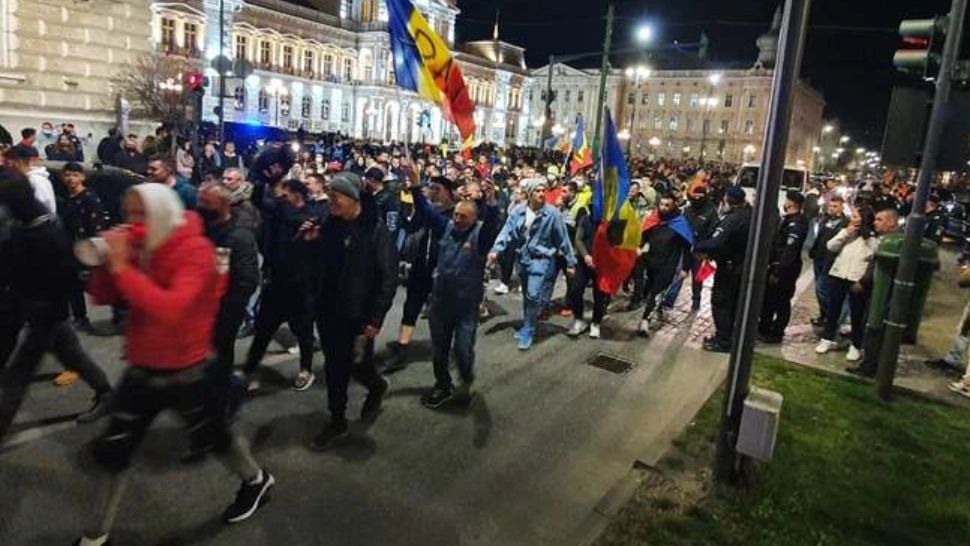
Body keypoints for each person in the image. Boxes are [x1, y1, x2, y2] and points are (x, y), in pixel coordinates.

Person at [78, 183, 273, 545]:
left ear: (163, 212)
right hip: (142, 366)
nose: (133, 223)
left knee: (216, 439)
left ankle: (257, 480)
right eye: (129, 214)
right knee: (113, 451)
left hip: (188, 369)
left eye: (142, 214)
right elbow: (104, 295)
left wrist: (121, 266)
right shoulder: (141, 245)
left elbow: (171, 309)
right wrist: (107, 265)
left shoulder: (195, 250)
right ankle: (94, 536)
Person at [0, 168, 112, 443]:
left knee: (20, 372)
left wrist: (44, 311)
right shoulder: (23, 227)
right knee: (72, 355)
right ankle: (107, 393)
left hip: (45, 313)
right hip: (28, 306)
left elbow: (64, 279)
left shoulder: (47, 232)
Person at [306, 172, 396, 450]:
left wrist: (375, 318)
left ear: (354, 199)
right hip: (329, 310)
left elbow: (387, 277)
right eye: (329, 195)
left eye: (336, 197)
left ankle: (376, 387)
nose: (330, 201)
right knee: (335, 367)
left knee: (357, 365)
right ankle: (338, 420)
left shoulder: (374, 230)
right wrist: (311, 242)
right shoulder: (328, 224)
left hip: (359, 314)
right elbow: (320, 265)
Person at [401, 169, 501, 408]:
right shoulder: (446, 227)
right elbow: (425, 210)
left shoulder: (479, 236)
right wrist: (415, 185)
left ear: (473, 219)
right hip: (440, 303)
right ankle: (442, 386)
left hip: (466, 307)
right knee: (439, 351)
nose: (456, 220)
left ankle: (465, 380)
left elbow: (491, 225)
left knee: (464, 351)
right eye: (455, 215)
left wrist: (492, 202)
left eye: (462, 217)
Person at [243, 179, 319, 391]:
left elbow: (292, 217)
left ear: (298, 195)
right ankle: (249, 369)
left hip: (300, 285)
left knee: (303, 331)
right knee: (263, 330)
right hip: (276, 282)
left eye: (286, 196)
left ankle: (306, 369)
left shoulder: (311, 215)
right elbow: (258, 199)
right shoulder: (280, 213)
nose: (281, 200)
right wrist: (263, 177)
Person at [488, 177, 576, 351]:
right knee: (528, 295)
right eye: (537, 190)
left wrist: (570, 262)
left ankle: (529, 328)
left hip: (541, 259)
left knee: (534, 294)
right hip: (522, 258)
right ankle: (527, 323)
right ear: (529, 193)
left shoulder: (553, 214)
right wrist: (495, 250)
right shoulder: (518, 211)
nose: (541, 194)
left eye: (543, 190)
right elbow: (506, 231)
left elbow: (563, 239)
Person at [197, 182, 259, 426]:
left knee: (220, 354)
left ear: (223, 205)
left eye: (207, 203)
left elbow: (248, 280)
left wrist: (225, 308)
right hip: (204, 306)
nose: (201, 207)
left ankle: (226, 398)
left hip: (225, 309)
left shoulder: (240, 236)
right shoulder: (207, 227)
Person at [387, 175, 455, 371]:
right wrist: (404, 211)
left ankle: (446, 350)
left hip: (442, 270)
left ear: (448, 192)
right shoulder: (427, 210)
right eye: (430, 188)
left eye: (437, 189)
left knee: (442, 313)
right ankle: (402, 348)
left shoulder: (455, 214)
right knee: (411, 308)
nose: (432, 192)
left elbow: (439, 225)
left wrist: (417, 192)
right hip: (420, 267)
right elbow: (411, 227)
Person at [815, 207, 878, 363]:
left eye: (856, 216)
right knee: (832, 310)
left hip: (856, 279)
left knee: (857, 314)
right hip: (838, 275)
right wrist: (845, 234)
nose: (852, 218)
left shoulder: (872, 238)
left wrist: (863, 280)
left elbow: (873, 259)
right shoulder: (846, 232)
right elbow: (830, 246)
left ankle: (856, 345)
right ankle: (827, 339)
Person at [694, 186, 752, 353]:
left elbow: (717, 241)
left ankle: (723, 340)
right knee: (731, 304)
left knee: (721, 303)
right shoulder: (748, 215)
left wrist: (696, 246)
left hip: (730, 268)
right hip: (739, 266)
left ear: (729, 201)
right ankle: (728, 336)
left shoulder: (733, 219)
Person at [59, 162, 110, 333]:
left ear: (82, 177)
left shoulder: (89, 198)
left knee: (97, 284)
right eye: (67, 175)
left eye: (74, 175)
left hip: (87, 249)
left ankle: (120, 313)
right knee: (73, 287)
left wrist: (93, 253)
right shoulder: (66, 199)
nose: (70, 178)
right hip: (71, 249)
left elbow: (97, 226)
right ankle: (80, 318)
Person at [637, 194, 694, 336]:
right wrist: (639, 247)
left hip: (668, 264)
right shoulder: (654, 219)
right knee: (649, 289)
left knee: (657, 291)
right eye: (661, 204)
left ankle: (645, 320)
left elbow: (687, 248)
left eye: (667, 205)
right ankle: (654, 306)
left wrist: (685, 268)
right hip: (651, 261)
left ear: (674, 205)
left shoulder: (680, 224)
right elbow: (644, 235)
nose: (663, 208)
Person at [758, 191, 809, 343]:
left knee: (781, 301)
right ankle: (764, 327)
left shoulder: (796, 224)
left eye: (787, 200)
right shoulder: (788, 220)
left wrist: (778, 271)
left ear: (791, 204)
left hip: (785, 269)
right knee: (770, 299)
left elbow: (789, 251)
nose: (784, 202)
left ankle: (776, 332)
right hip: (777, 266)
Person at [665, 183, 719, 311]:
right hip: (685, 247)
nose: (697, 199)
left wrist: (706, 249)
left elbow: (713, 232)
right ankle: (669, 300)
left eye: (700, 196)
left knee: (697, 278)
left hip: (699, 251)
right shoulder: (688, 210)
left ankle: (696, 300)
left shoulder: (711, 211)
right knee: (679, 273)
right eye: (695, 196)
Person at [566, 194, 609, 339]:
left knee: (599, 296)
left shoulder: (609, 223)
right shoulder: (585, 219)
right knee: (575, 290)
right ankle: (579, 319)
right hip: (584, 262)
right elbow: (578, 239)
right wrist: (585, 255)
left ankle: (596, 323)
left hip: (602, 265)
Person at [809, 194, 848, 327]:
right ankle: (824, 315)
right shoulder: (825, 219)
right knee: (818, 289)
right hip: (819, 258)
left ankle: (830, 316)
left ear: (842, 207)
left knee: (822, 288)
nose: (832, 208)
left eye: (835, 206)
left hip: (830, 261)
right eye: (831, 206)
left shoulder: (845, 223)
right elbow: (819, 236)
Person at [4, 144, 56, 214]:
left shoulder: (35, 181)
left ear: (18, 162)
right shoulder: (33, 178)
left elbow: (39, 210)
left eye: (8, 164)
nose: (7, 168)